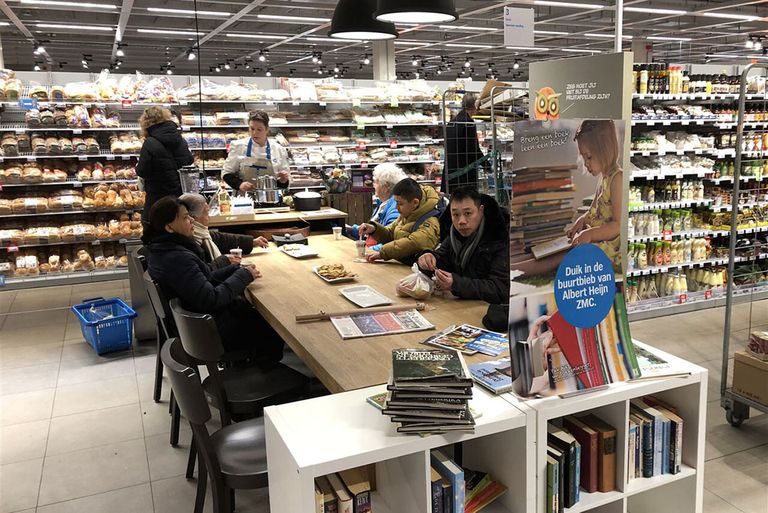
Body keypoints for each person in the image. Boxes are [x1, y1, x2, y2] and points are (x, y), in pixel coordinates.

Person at [144, 196, 283, 361]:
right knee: (273, 326)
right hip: (206, 334)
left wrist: (235, 269)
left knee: (257, 314)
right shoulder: (177, 258)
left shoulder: (164, 250)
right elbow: (211, 298)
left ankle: (251, 367)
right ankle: (266, 377)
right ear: (169, 227)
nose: (191, 221)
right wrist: (243, 276)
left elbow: (204, 278)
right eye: (185, 217)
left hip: (194, 326)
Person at [512, 119, 624, 276]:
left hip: (609, 246)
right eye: (583, 158)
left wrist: (590, 234)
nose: (585, 164)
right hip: (595, 237)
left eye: (589, 157)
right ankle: (518, 263)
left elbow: (618, 225)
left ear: (605, 149)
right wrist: (582, 220)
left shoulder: (617, 179)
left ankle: (516, 271)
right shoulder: (604, 177)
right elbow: (593, 210)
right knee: (552, 248)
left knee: (563, 255)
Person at [417, 187, 509, 305]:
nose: (461, 221)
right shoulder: (454, 235)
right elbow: (441, 259)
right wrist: (427, 258)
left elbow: (501, 288)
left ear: (481, 211)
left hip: (488, 311)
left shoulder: (499, 238)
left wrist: (456, 284)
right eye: (455, 214)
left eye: (468, 213)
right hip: (462, 306)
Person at [358, 178, 441, 265]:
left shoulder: (431, 221)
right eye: (396, 203)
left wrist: (383, 253)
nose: (396, 208)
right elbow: (390, 233)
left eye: (400, 204)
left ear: (415, 202)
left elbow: (414, 243)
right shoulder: (407, 214)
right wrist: (373, 229)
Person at [179, 193, 269, 268]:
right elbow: (205, 275)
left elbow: (222, 239)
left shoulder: (201, 235)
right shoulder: (190, 244)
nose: (209, 217)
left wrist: (252, 242)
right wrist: (226, 262)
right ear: (194, 217)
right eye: (206, 212)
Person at [136, 106, 194, 218]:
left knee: (157, 229)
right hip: (180, 196)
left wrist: (137, 166)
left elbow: (142, 171)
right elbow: (189, 160)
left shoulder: (150, 142)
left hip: (158, 198)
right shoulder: (180, 140)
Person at [222, 110, 291, 193]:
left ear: (267, 129)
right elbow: (226, 173)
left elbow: (284, 183)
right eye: (252, 129)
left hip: (270, 197)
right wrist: (239, 184)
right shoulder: (238, 146)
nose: (255, 133)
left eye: (259, 129)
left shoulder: (279, 149)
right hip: (244, 198)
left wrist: (283, 181)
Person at [346, 163, 407, 251]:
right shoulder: (383, 204)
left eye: (375, 181)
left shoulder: (395, 209)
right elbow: (371, 233)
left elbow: (391, 240)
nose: (373, 185)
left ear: (385, 187)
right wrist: (352, 229)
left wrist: (368, 251)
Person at [443, 92, 485, 193]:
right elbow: (473, 149)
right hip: (464, 172)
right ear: (475, 105)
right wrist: (486, 165)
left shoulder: (452, 122)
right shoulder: (468, 123)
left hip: (451, 170)